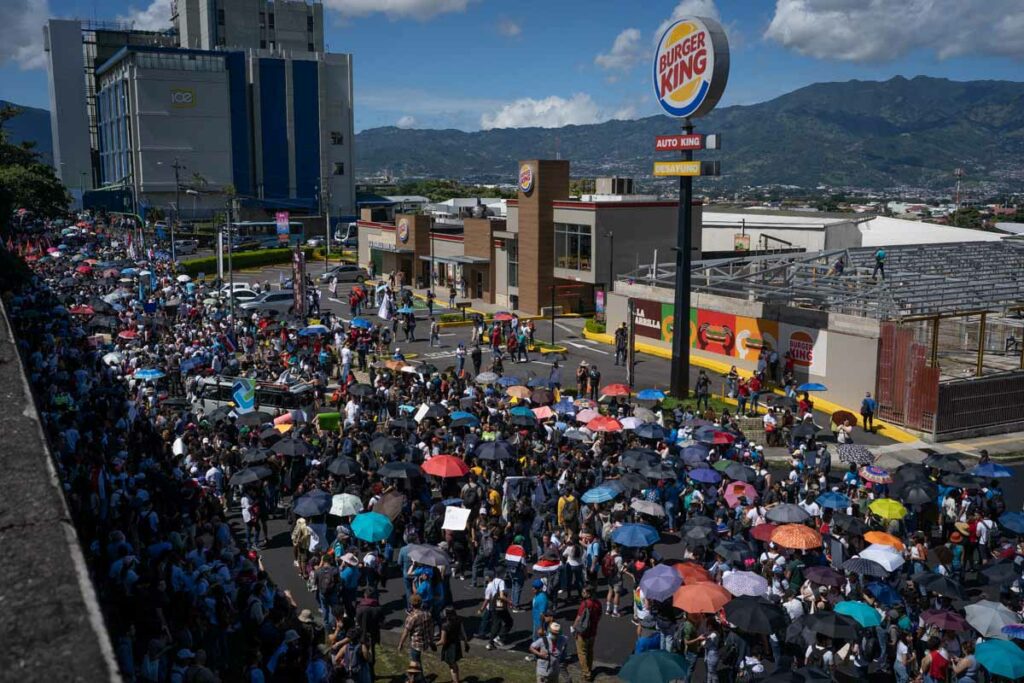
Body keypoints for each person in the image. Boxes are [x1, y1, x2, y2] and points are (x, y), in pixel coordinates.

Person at [572, 586, 602, 683]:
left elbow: (578, 618)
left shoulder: (584, 604)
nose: (582, 592)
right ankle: (589, 669)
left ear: (588, 593)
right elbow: (599, 616)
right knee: (590, 652)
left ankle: (586, 674)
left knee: (582, 653)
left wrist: (574, 628)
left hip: (583, 632)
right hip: (593, 631)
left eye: (584, 592)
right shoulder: (598, 603)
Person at [397, 594, 435, 668]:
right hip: (425, 642)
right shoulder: (428, 614)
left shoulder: (411, 617)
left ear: (411, 604)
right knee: (417, 662)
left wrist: (400, 644)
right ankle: (419, 678)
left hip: (416, 643)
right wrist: (431, 641)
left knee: (415, 663)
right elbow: (431, 629)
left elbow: (406, 632)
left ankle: (418, 678)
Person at [438, 606, 470, 683]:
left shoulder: (445, 625)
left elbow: (442, 641)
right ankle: (455, 680)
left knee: (452, 665)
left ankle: (455, 681)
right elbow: (463, 633)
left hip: (449, 647)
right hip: (456, 644)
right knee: (453, 664)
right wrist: (466, 643)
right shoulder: (459, 620)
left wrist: (432, 644)